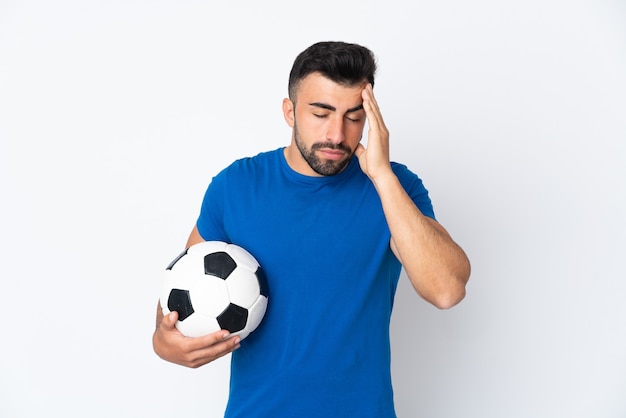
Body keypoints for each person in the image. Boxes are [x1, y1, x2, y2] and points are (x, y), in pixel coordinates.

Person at [153, 40, 471, 417]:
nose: (337, 134)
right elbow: (177, 303)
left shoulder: (396, 188)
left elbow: (447, 290)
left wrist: (382, 176)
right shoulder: (236, 186)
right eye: (321, 113)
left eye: (354, 117)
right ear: (290, 111)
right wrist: (164, 342)